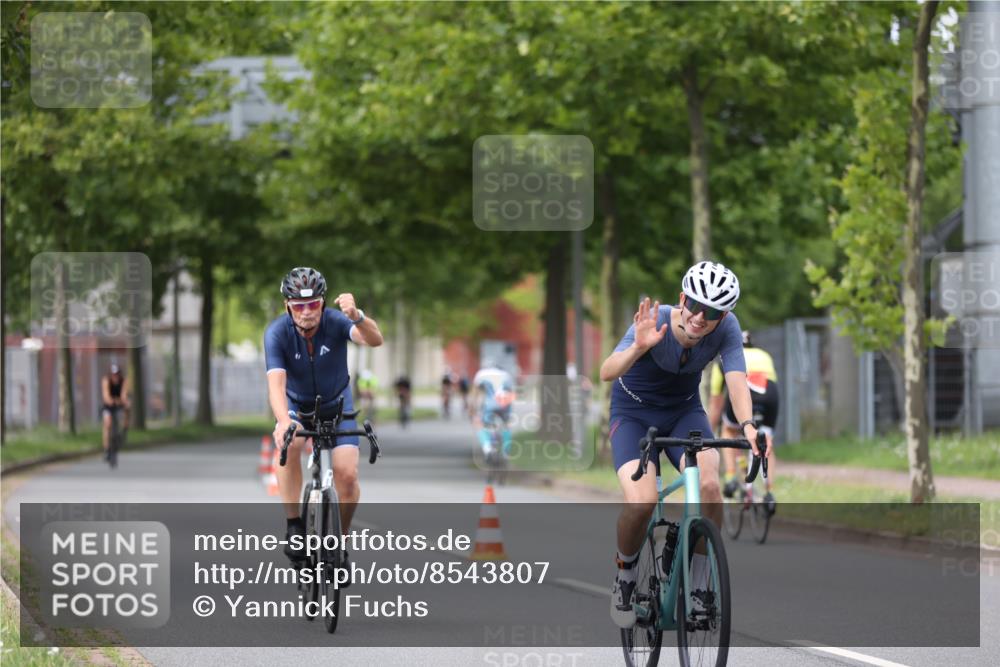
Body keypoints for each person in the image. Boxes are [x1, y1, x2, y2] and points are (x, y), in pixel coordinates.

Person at [599, 261, 760, 629]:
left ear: (725, 316)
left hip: (684, 413)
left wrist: (748, 425)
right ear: (682, 299)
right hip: (633, 415)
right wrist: (638, 347)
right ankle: (625, 576)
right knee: (642, 502)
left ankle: (701, 584)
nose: (702, 318)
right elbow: (607, 371)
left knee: (708, 485)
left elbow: (737, 379)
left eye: (714, 312)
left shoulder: (727, 330)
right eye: (696, 306)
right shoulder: (655, 320)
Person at [264, 267, 384, 569]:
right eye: (299, 305)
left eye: (313, 304)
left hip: (338, 403)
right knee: (289, 444)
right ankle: (294, 524)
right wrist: (283, 421)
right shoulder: (277, 333)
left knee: (347, 474)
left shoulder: (335, 321)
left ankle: (339, 543)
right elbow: (276, 386)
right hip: (296, 405)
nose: (307, 312)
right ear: (287, 306)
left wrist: (357, 316)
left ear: (323, 303)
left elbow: (374, 339)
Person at [709, 330, 779, 513]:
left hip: (746, 390)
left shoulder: (725, 359)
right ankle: (769, 492)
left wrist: (708, 431)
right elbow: (773, 383)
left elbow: (716, 404)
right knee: (765, 442)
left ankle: (731, 477)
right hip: (769, 393)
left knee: (729, 430)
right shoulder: (765, 356)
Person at [472, 359, 515, 460]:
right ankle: (506, 453)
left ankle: (488, 449)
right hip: (505, 403)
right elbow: (511, 393)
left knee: (480, 424)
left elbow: (475, 394)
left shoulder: (481, 374)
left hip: (490, 404)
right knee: (506, 426)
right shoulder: (506, 374)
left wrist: (472, 409)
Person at [100, 363, 130, 462]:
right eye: (113, 375)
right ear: (110, 375)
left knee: (127, 409)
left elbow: (124, 394)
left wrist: (124, 401)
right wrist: (111, 400)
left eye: (117, 374)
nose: (115, 377)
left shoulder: (124, 381)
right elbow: (106, 395)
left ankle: (124, 430)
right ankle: (106, 449)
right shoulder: (106, 380)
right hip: (108, 405)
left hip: (119, 403)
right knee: (107, 424)